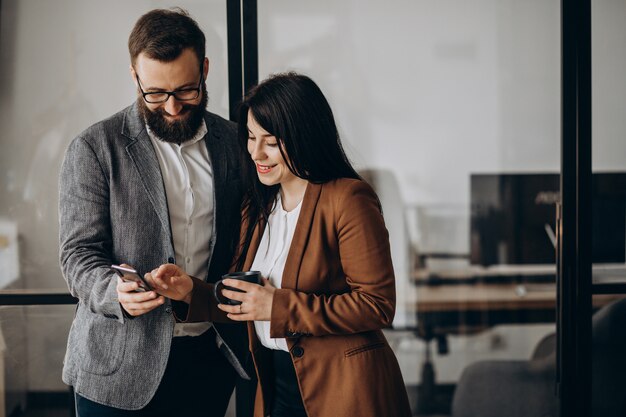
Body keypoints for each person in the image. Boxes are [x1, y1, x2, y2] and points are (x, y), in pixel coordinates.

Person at [147, 72, 412, 417]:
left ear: (303, 137)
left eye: (270, 142)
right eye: (252, 137)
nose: (256, 152)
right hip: (277, 387)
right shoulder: (258, 205)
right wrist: (190, 293)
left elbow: (376, 304)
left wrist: (280, 307)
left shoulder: (348, 199)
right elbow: (250, 303)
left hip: (345, 390)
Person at [58, 8, 250, 417]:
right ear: (134, 76)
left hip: (207, 359)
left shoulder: (237, 144)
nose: (173, 107)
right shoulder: (94, 148)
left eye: (186, 90)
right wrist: (114, 293)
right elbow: (78, 255)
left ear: (205, 70)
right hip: (115, 367)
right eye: (156, 94)